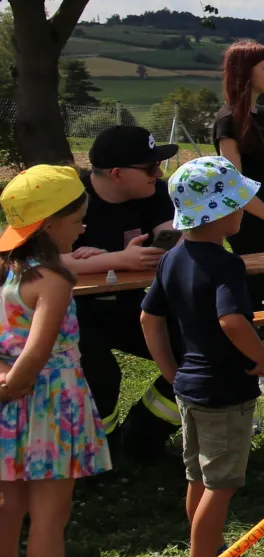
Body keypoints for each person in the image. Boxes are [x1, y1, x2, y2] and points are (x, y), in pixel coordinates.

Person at [140, 157, 264, 557]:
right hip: (224, 392)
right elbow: (232, 321)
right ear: (220, 213)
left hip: (190, 387)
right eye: (239, 202)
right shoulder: (226, 265)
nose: (244, 210)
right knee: (221, 484)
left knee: (199, 478)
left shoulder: (172, 258)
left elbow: (149, 317)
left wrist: (168, 369)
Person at [0, 166, 111, 557]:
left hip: (9, 411)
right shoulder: (55, 278)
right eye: (77, 220)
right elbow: (37, 353)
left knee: (8, 509)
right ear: (49, 224)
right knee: (49, 516)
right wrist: (13, 386)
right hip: (49, 407)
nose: (82, 228)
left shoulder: (8, 272)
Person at [62, 125, 182, 464]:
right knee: (101, 375)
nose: (158, 173)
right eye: (149, 167)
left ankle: (143, 436)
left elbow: (169, 234)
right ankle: (101, 451)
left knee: (198, 350)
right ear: (116, 174)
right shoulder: (69, 197)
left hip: (131, 306)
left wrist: (173, 240)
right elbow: (25, 261)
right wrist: (117, 259)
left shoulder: (154, 192)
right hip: (72, 314)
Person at [213, 40, 264, 311]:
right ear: (246, 72)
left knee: (263, 292)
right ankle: (252, 348)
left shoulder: (260, 115)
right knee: (252, 297)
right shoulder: (228, 122)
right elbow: (234, 186)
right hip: (247, 223)